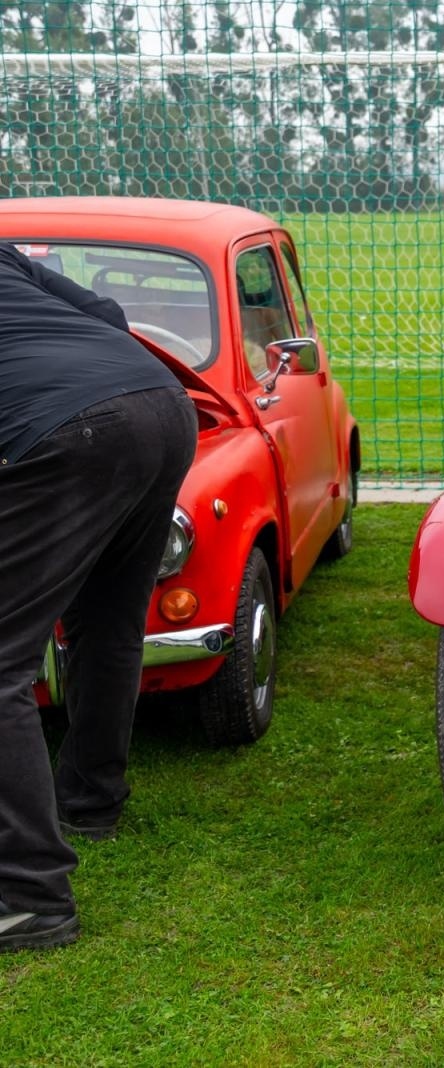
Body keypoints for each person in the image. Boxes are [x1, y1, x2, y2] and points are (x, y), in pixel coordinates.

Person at [0, 244, 197, 953]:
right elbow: (106, 311)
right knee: (108, 623)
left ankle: (29, 897)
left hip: (72, 430)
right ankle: (90, 804)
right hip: (160, 403)